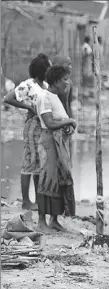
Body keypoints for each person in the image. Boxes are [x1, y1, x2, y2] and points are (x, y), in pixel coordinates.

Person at [2, 53, 51, 210]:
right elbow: (8, 98)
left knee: (38, 163)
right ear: (41, 70)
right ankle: (26, 200)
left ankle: (37, 199)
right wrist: (28, 107)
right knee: (29, 162)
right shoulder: (28, 85)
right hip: (32, 127)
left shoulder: (46, 86)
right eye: (48, 67)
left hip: (43, 127)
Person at [35, 65, 78, 232]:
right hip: (49, 143)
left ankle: (54, 219)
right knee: (47, 180)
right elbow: (50, 123)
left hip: (59, 143)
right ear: (55, 81)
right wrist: (69, 122)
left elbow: (61, 118)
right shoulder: (44, 97)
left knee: (60, 180)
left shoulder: (56, 97)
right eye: (64, 79)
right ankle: (41, 221)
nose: (67, 82)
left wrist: (68, 123)